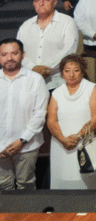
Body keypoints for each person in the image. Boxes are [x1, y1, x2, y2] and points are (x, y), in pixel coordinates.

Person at [0, 38, 49, 191]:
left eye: (14, 53)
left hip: (27, 145)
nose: (9, 58)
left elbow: (40, 113)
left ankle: (27, 216)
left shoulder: (35, 79)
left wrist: (22, 140)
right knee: (3, 186)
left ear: (22, 55)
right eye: (4, 54)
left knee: (26, 185)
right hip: (0, 147)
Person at [17, 0, 79, 90]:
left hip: (57, 82)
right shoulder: (26, 26)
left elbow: (69, 50)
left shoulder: (67, 22)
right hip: (30, 82)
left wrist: (46, 69)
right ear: (34, 4)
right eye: (37, 1)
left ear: (54, 2)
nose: (41, 3)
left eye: (46, 0)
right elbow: (17, 52)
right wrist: (33, 67)